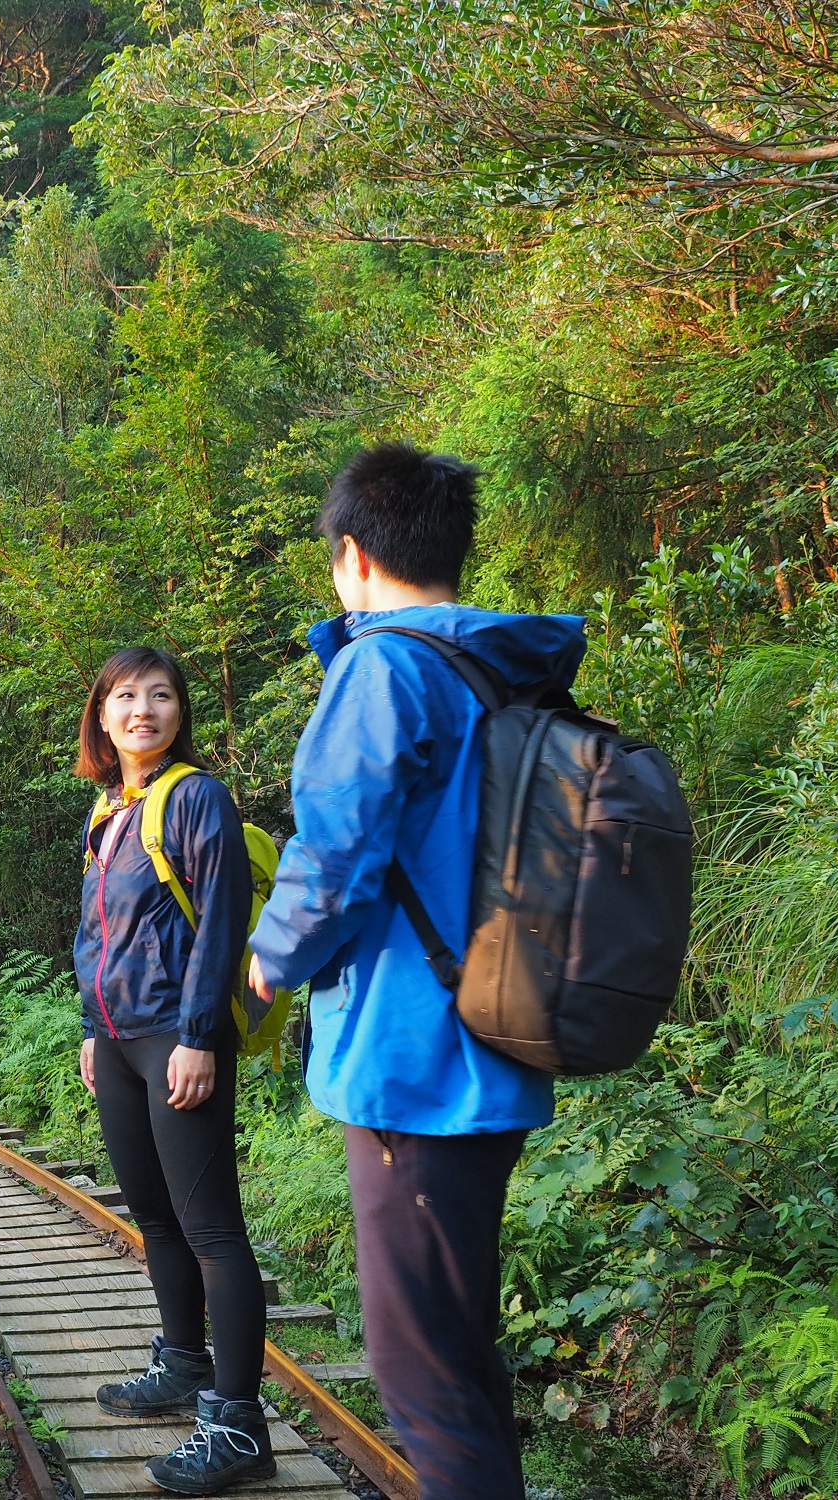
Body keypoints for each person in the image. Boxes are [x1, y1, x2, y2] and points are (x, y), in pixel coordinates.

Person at [247, 442, 586, 1500]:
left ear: (349, 555)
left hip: (412, 1063)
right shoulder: (496, 667)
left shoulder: (381, 666)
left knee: (420, 1370)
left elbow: (335, 853)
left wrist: (269, 958)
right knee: (456, 1347)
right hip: (493, 1033)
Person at [72, 646, 273, 1496]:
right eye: (126, 696)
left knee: (211, 1227)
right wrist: (90, 1028)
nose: (143, 709)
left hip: (175, 1038)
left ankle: (239, 1425)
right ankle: (184, 1364)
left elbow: (223, 920)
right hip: (118, 1040)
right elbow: (92, 931)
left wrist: (198, 1037)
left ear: (180, 713)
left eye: (160, 696)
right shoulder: (111, 808)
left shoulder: (198, 798)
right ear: (103, 715)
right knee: (153, 1215)